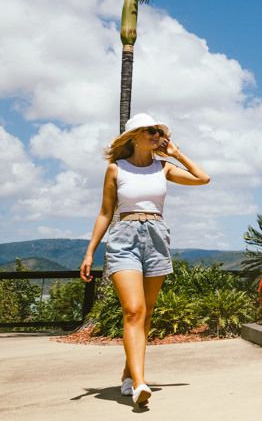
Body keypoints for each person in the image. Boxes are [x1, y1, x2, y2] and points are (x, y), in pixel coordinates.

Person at [79, 113, 210, 407]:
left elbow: (203, 178)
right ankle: (140, 383)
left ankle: (129, 374)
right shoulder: (116, 169)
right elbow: (104, 213)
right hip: (124, 238)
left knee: (146, 312)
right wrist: (90, 252)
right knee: (134, 310)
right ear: (135, 135)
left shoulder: (163, 168)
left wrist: (177, 154)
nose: (156, 135)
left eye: (158, 131)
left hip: (156, 237)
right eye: (151, 131)